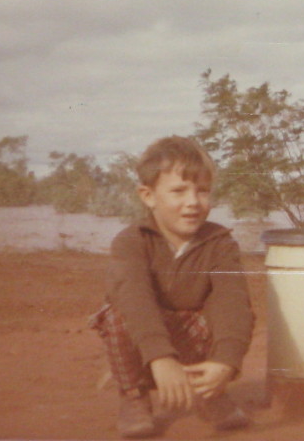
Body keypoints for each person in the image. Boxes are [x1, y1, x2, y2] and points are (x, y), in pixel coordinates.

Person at [89, 136, 255, 438]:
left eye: (202, 191)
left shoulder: (220, 243)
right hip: (148, 336)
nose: (193, 202)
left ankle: (209, 391)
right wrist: (160, 359)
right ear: (148, 195)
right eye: (178, 191)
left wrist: (226, 362)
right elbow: (135, 299)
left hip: (193, 334)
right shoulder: (131, 242)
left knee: (225, 313)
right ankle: (134, 395)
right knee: (116, 313)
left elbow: (232, 302)